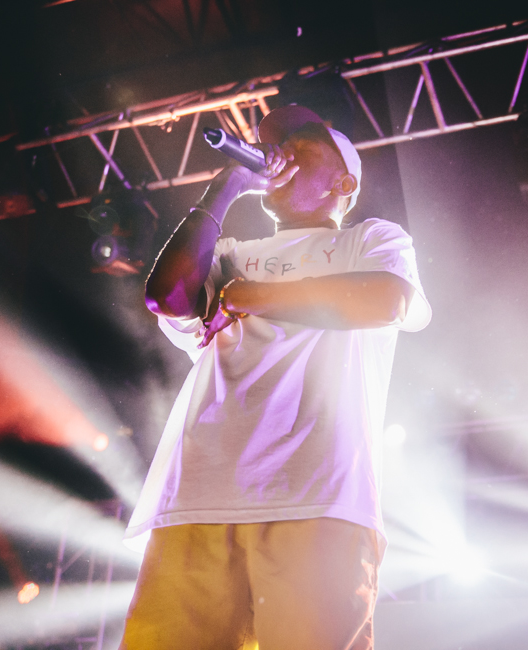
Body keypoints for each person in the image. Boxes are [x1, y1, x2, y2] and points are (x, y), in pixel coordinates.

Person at [119, 105, 431, 650]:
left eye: (298, 143)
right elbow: (165, 296)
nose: (276, 154)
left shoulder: (369, 241)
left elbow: (387, 301)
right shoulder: (230, 254)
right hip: (199, 497)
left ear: (344, 180)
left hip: (319, 497)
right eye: (269, 145)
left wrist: (257, 296)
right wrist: (226, 186)